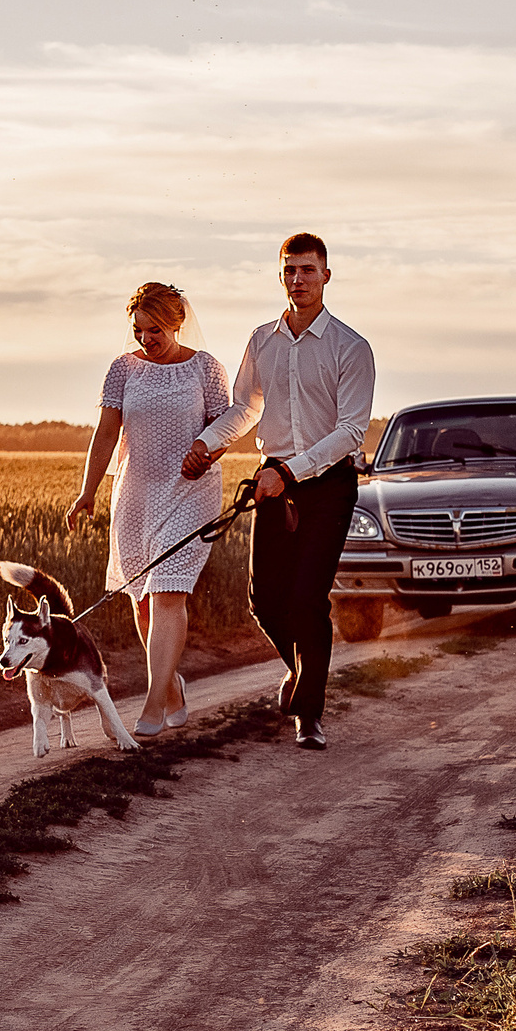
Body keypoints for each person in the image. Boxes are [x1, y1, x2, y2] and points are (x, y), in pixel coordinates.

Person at [180, 233, 374, 750]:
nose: (297, 280)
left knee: (307, 600)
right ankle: (304, 671)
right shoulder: (262, 339)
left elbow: (352, 431)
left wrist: (289, 472)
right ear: (280, 275)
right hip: (274, 481)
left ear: (326, 276)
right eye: (289, 270)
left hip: (328, 484)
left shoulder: (351, 347)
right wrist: (205, 443)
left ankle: (309, 713)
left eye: (307, 271)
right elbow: (245, 408)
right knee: (264, 599)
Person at [68, 281, 231, 734]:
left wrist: (206, 452)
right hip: (136, 494)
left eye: (155, 329)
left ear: (176, 324)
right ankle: (171, 685)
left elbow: (224, 425)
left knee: (168, 593)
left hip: (189, 493)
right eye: (139, 329)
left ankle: (153, 705)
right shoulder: (122, 370)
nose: (146, 339)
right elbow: (105, 433)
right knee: (142, 602)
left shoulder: (205, 369)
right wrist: (88, 491)